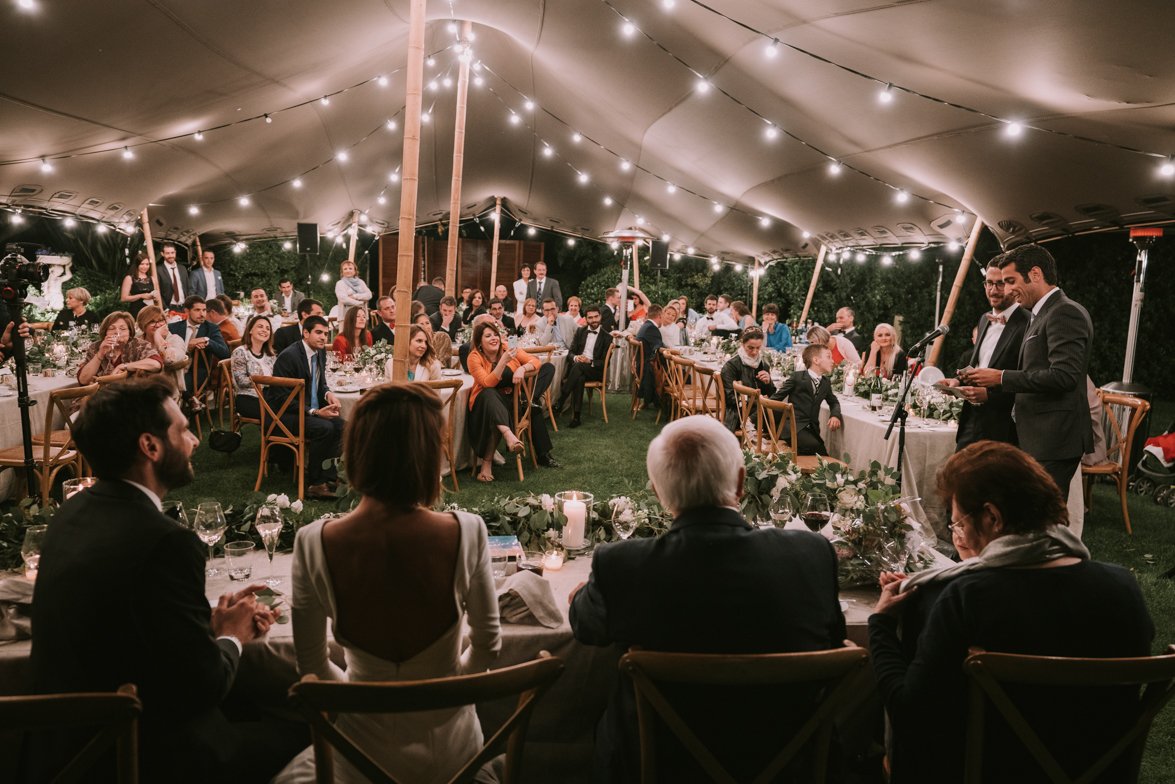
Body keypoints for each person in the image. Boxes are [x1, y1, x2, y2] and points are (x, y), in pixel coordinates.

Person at [27, 377, 305, 783]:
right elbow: (203, 686)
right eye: (184, 430)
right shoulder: (165, 541)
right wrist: (232, 635)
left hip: (64, 748)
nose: (195, 441)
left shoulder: (71, 513)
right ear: (151, 446)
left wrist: (206, 624)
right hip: (141, 756)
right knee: (311, 728)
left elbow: (123, 629)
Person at [569, 415, 846, 783]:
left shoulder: (623, 565)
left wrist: (581, 593)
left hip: (661, 767)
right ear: (741, 482)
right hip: (788, 765)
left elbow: (587, 628)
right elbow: (834, 638)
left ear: (659, 492)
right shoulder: (812, 554)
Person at [868, 441, 1153, 784]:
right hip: (1098, 772)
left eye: (958, 524)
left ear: (992, 517)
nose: (957, 535)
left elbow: (911, 715)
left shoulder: (966, 598)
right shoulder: (1123, 589)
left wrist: (881, 624)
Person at [276, 384, 500, 784]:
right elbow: (487, 644)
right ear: (428, 456)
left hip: (357, 759)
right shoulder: (468, 531)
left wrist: (369, 698)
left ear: (357, 451)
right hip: (453, 759)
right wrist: (444, 694)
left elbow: (311, 667)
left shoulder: (313, 541)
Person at [962, 244, 1093, 494]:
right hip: (1037, 435)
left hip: (1053, 437)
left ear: (1035, 274)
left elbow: (1064, 376)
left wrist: (1001, 377)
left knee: (1042, 512)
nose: (1008, 290)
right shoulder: (1040, 313)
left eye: (1011, 281)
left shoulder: (1064, 312)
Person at [938, 256, 1029, 449]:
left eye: (1000, 284)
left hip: (1003, 427)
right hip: (970, 421)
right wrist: (957, 382)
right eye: (989, 283)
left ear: (1012, 284)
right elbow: (979, 365)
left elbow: (1029, 379)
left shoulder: (1028, 323)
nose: (993, 290)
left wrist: (990, 396)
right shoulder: (984, 319)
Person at [269, 315, 345, 498]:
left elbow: (321, 383)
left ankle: (329, 476)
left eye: (326, 333)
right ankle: (315, 484)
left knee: (342, 425)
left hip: (307, 410)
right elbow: (281, 399)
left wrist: (328, 394)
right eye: (318, 332)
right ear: (305, 333)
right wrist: (315, 412)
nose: (323, 337)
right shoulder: (289, 357)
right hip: (284, 415)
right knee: (324, 428)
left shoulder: (320, 352)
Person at [466, 321, 548, 481]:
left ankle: (487, 464)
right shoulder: (474, 357)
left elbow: (535, 361)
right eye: (488, 336)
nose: (494, 338)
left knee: (497, 415)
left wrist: (522, 368)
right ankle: (509, 436)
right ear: (479, 342)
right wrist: (503, 361)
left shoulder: (507, 347)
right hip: (482, 406)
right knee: (489, 394)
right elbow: (487, 383)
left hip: (511, 404)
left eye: (495, 334)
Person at [769, 343, 842, 456]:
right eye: (828, 357)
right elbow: (775, 399)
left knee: (819, 451)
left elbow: (834, 402)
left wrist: (835, 415)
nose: (833, 361)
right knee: (819, 452)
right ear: (816, 360)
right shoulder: (797, 377)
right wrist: (752, 420)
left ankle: (795, 461)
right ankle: (791, 459)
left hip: (812, 429)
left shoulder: (825, 382)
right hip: (793, 428)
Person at [168, 295, 231, 402]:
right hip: (173, 369)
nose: (202, 314)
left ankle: (187, 403)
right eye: (197, 310)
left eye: (204, 310)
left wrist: (206, 340)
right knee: (158, 384)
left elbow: (225, 353)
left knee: (172, 387)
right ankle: (191, 402)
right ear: (187, 311)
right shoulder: (173, 327)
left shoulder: (211, 328)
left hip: (196, 372)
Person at [555, 304, 609, 427]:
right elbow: (571, 352)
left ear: (600, 316)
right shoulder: (580, 331)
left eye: (596, 316)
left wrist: (589, 361)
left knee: (578, 367)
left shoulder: (607, 337)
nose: (594, 320)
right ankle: (576, 418)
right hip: (579, 369)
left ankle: (562, 398)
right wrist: (576, 357)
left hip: (595, 370)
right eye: (590, 317)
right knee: (579, 376)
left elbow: (604, 362)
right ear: (586, 319)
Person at [77, 311, 163, 385]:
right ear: (105, 332)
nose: (117, 332)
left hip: (132, 392)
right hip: (102, 393)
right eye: (111, 328)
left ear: (130, 332)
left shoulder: (139, 345)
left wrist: (123, 366)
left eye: (123, 329)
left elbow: (156, 364)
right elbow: (83, 380)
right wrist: (100, 353)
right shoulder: (96, 347)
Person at [720, 326, 776, 432]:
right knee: (778, 414)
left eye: (758, 348)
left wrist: (768, 382)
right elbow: (730, 398)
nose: (755, 352)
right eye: (750, 348)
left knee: (784, 412)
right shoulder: (731, 366)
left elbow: (772, 395)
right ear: (742, 344)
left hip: (759, 409)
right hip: (738, 413)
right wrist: (756, 400)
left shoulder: (763, 365)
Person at [137, 305, 191, 397]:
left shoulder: (175, 339)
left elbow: (169, 359)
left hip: (166, 391)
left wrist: (157, 336)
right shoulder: (137, 341)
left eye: (161, 321)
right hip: (138, 389)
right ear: (143, 325)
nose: (158, 325)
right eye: (152, 322)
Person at [231, 314, 277, 421]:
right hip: (248, 398)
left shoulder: (270, 355)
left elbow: (277, 376)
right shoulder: (240, 352)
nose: (264, 330)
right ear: (250, 330)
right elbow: (241, 381)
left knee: (288, 408)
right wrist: (264, 380)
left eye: (268, 328)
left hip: (268, 396)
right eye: (260, 326)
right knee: (279, 413)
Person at [635, 303, 665, 407]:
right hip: (646, 369)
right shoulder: (652, 329)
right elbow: (659, 349)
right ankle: (669, 405)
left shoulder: (645, 325)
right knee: (683, 374)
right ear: (660, 316)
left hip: (640, 365)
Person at [156, 242, 188, 313]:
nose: (170, 255)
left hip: (184, 307)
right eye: (167, 253)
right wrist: (165, 309)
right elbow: (157, 292)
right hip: (169, 308)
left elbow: (187, 288)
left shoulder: (182, 268)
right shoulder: (158, 270)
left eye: (172, 253)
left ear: (175, 252)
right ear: (162, 254)